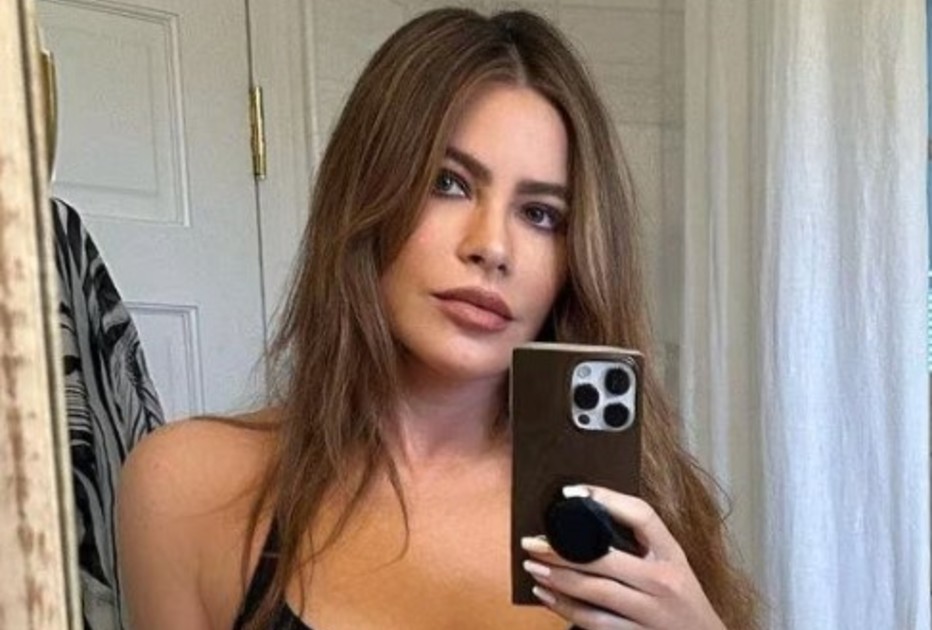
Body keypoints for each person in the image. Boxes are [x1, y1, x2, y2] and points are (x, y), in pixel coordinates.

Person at [118, 8, 759, 630]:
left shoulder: (647, 505)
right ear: (365, 194)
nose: (493, 247)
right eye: (448, 183)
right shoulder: (189, 490)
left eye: (540, 215)